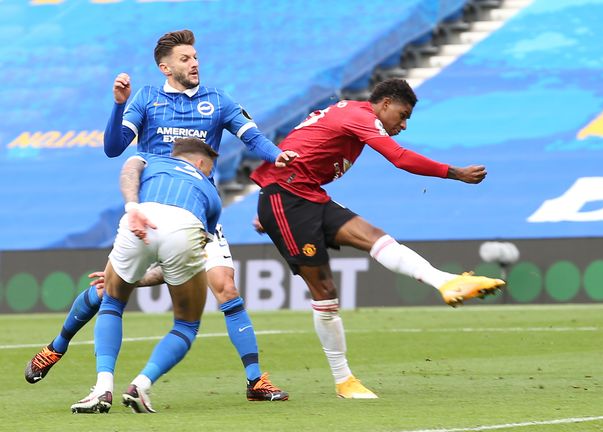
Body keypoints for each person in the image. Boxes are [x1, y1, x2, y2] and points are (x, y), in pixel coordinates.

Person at [25, 29, 296, 402]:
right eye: (185, 59)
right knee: (107, 291)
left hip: (197, 214)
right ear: (165, 67)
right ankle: (58, 345)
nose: (195, 63)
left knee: (227, 288)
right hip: (150, 209)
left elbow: (252, 136)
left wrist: (276, 155)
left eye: (196, 57)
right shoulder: (147, 98)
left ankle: (255, 380)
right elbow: (114, 148)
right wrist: (119, 104)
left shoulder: (217, 100)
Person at [250, 78, 506, 399]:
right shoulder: (361, 118)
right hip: (287, 196)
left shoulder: (349, 115)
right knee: (325, 291)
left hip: (304, 195)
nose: (404, 124)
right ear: (385, 104)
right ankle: (344, 381)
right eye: (403, 114)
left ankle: (446, 282)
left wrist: (271, 207)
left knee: (376, 238)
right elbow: (399, 157)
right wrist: (455, 173)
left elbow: (302, 144)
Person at [71, 138, 221, 413]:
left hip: (141, 214)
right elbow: (179, 260)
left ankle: (102, 388)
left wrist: (132, 208)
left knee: (113, 303)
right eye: (210, 168)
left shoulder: (150, 159)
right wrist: (140, 280)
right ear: (201, 163)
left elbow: (127, 172)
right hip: (186, 225)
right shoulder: (211, 194)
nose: (210, 174)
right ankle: (141, 384)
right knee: (186, 325)